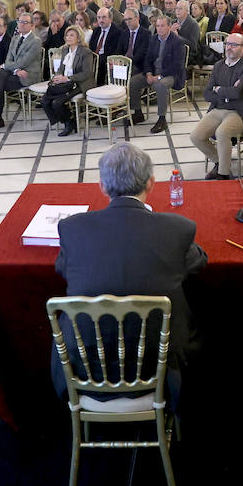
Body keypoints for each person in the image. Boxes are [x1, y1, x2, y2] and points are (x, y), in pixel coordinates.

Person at [51, 142, 207, 409]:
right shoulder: (177, 229)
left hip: (84, 366)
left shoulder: (73, 228)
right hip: (160, 366)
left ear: (101, 186)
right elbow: (198, 262)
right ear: (151, 183)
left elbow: (63, 268)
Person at [191, 33, 243, 179]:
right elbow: (207, 94)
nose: (230, 48)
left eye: (234, 45)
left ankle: (223, 174)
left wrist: (219, 89)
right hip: (219, 109)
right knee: (196, 136)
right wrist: (226, 92)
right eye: (228, 44)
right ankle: (220, 162)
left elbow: (237, 93)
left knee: (222, 132)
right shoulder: (218, 66)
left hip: (240, 112)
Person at [0, 12, 45, 131]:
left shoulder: (36, 41)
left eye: (25, 22)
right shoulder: (15, 38)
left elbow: (24, 62)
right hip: (17, 72)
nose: (22, 24)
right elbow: (9, 58)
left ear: (31, 25)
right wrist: (16, 70)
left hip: (28, 75)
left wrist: (5, 67)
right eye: (20, 21)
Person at [129, 15, 187, 133]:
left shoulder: (178, 42)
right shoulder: (154, 38)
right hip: (154, 72)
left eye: (162, 26)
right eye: (157, 26)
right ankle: (138, 113)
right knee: (133, 82)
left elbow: (177, 66)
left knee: (160, 85)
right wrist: (149, 73)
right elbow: (148, 59)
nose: (159, 29)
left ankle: (162, 119)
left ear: (169, 27)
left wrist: (159, 77)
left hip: (171, 75)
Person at [43, 25, 95, 136]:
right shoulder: (65, 49)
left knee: (57, 103)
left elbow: (87, 73)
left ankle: (68, 122)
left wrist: (67, 78)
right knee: (45, 101)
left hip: (79, 83)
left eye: (72, 35)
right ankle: (67, 119)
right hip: (65, 82)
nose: (68, 37)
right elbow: (61, 68)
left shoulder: (86, 52)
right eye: (67, 35)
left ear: (79, 37)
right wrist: (57, 77)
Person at [88, 7, 128, 85]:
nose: (101, 20)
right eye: (99, 17)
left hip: (108, 60)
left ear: (110, 19)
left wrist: (97, 59)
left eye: (104, 17)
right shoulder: (96, 31)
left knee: (98, 66)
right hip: (95, 59)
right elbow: (91, 47)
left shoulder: (117, 32)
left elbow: (115, 51)